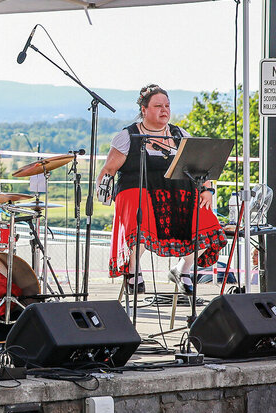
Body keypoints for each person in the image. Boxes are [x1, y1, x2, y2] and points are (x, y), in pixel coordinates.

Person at [97, 84, 227, 295]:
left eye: (167, 105)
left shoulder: (179, 134)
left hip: (177, 196)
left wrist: (207, 190)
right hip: (140, 193)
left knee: (209, 226)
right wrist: (106, 195)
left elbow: (201, 167)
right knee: (139, 211)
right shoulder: (128, 136)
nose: (164, 110)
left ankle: (182, 270)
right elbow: (108, 171)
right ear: (144, 110)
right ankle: (132, 270)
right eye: (158, 106)